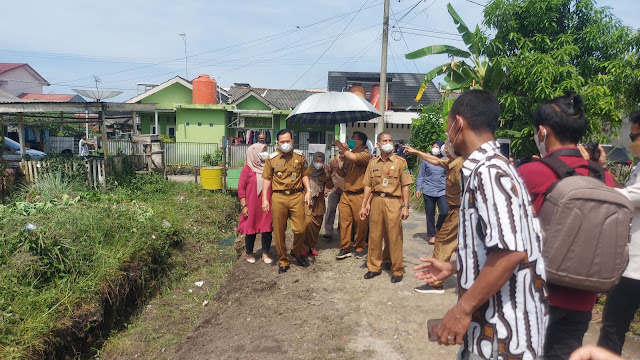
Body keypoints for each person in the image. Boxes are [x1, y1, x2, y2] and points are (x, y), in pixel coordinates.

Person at [414, 90, 547, 359]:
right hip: (495, 331)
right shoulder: (494, 168)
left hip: (501, 336)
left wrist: (462, 309)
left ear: (458, 124)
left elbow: (511, 252)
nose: (446, 137)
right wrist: (454, 267)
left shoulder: (489, 172)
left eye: (447, 126)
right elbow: (499, 246)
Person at [517, 94, 616, 360]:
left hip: (534, 293)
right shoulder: (605, 177)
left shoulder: (530, 173)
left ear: (542, 131)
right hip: (583, 297)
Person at [596, 109, 640, 355]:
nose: (633, 143)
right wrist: (602, 170)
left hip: (635, 268)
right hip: (631, 264)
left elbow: (629, 196)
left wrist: (592, 189)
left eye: (636, 137)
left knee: (612, 328)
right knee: (613, 327)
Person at [405, 140, 463, 294]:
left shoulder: (461, 166)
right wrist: (416, 152)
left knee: (442, 244)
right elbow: (434, 160)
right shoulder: (451, 163)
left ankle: (435, 283)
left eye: (448, 145)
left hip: (459, 213)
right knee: (463, 246)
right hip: (457, 212)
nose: (444, 148)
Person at [359, 132, 412, 283]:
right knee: (375, 235)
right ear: (378, 144)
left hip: (394, 201)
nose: (388, 142)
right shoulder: (373, 163)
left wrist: (406, 206)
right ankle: (374, 267)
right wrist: (364, 205)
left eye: (390, 140)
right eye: (385, 140)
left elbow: (405, 185)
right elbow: (368, 186)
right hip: (377, 201)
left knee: (394, 236)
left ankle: (397, 269)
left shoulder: (401, 162)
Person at [262, 129, 312, 274]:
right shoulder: (272, 158)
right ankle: (283, 260)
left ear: (292, 141)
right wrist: (264, 198)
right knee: (279, 231)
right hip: (279, 197)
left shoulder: (300, 156)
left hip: (297, 196)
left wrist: (308, 191)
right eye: (282, 141)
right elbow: (266, 179)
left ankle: (296, 252)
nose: (285, 144)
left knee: (301, 229)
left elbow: (304, 174)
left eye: (287, 141)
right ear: (277, 143)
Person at [332, 132, 371, 259]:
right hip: (346, 194)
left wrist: (341, 146)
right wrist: (337, 169)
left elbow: (354, 158)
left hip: (359, 194)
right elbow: (345, 174)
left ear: (360, 141)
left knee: (360, 222)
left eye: (353, 139)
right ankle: (345, 247)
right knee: (344, 222)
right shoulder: (350, 154)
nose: (351, 140)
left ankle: (359, 247)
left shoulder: (365, 155)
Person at [237, 143, 273, 264]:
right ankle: (249, 253)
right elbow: (241, 188)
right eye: (262, 151)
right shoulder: (247, 169)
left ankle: (266, 253)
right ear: (254, 153)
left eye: (265, 151)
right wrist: (244, 206)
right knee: (250, 229)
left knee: (267, 228)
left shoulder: (269, 167)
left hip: (266, 204)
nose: (264, 154)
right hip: (251, 204)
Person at [416, 140, 448, 245]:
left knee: (444, 212)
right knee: (430, 213)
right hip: (428, 190)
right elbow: (421, 175)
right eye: (433, 146)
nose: (434, 149)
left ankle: (438, 228)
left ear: (441, 149)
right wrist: (418, 188)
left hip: (442, 190)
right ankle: (432, 235)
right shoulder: (426, 160)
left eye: (437, 147)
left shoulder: (445, 160)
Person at [303, 152, 333, 256]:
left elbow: (330, 185)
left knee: (317, 226)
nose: (318, 163)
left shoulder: (324, 173)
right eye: (317, 161)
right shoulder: (307, 172)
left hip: (319, 203)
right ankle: (305, 246)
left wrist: (327, 174)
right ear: (313, 160)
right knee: (307, 223)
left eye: (321, 161)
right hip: (308, 202)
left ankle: (312, 246)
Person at [323, 146, 345, 238]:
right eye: (339, 149)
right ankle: (328, 232)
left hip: (345, 190)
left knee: (343, 212)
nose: (341, 151)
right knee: (331, 210)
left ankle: (342, 231)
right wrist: (326, 188)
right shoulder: (333, 160)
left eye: (343, 149)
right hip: (334, 190)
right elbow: (328, 174)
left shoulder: (350, 161)